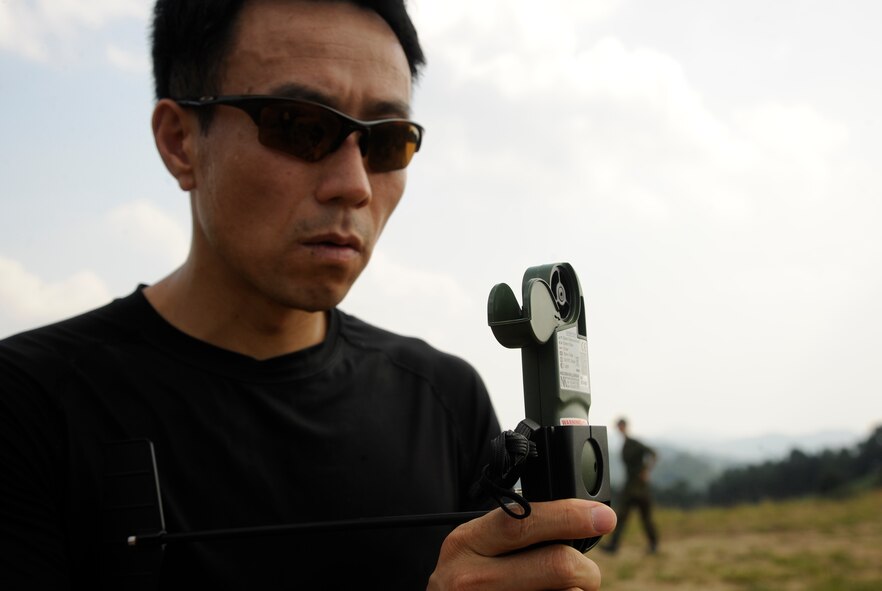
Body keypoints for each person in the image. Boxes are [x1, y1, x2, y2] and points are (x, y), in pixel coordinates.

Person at [0, 0, 616, 589]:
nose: (353, 186)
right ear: (180, 141)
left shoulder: (446, 402)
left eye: (387, 140)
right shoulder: (28, 405)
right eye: (300, 126)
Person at [603, 417, 659, 554]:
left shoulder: (633, 443)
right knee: (621, 516)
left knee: (646, 518)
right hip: (630, 487)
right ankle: (613, 545)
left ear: (624, 426)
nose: (619, 429)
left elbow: (653, 453)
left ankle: (654, 545)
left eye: (620, 426)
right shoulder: (625, 444)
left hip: (640, 487)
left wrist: (646, 470)